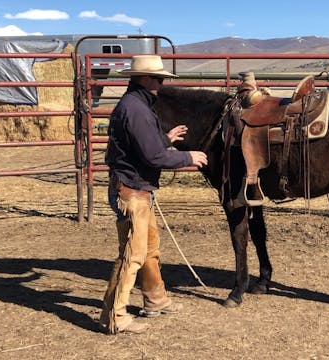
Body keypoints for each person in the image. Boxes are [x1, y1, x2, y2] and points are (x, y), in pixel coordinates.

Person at [99, 55, 208, 335]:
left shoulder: (135, 106)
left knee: (148, 250)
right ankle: (114, 315)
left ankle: (155, 300)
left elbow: (145, 145)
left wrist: (166, 138)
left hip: (136, 188)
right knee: (132, 255)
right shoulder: (136, 109)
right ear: (144, 79)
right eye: (158, 78)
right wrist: (186, 156)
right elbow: (153, 155)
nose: (161, 83)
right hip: (132, 191)